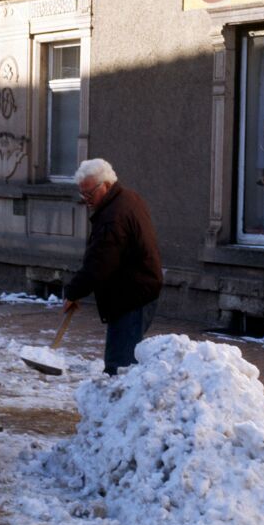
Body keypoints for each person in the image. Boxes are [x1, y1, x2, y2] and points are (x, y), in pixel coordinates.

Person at [63, 158, 163, 375]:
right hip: (136, 291)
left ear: (106, 186)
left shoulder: (113, 217)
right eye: (83, 195)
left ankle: (121, 404)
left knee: (120, 366)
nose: (86, 200)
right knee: (123, 359)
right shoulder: (128, 198)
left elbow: (99, 263)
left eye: (89, 194)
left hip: (132, 296)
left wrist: (73, 292)